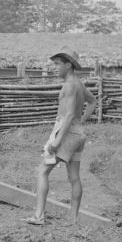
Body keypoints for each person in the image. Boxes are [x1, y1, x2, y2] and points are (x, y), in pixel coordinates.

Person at [25, 46, 97, 226]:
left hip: (66, 132)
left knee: (42, 171)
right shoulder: (79, 84)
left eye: (58, 64)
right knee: (74, 177)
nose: (54, 67)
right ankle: (73, 220)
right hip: (77, 133)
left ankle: (39, 216)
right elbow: (93, 102)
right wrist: (81, 123)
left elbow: (70, 114)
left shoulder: (70, 85)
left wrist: (57, 140)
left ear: (69, 65)